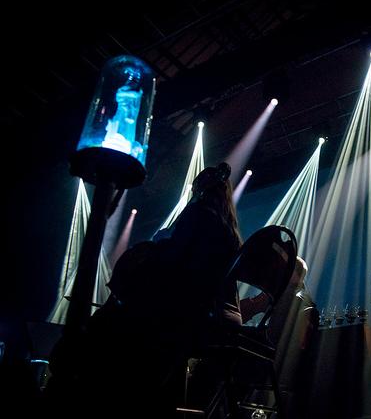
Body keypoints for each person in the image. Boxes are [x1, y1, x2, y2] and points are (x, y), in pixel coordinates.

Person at [46, 162, 242, 418]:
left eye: (196, 191)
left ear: (201, 191)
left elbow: (172, 265)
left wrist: (160, 244)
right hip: (206, 316)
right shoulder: (230, 234)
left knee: (90, 342)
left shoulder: (199, 215)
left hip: (181, 315)